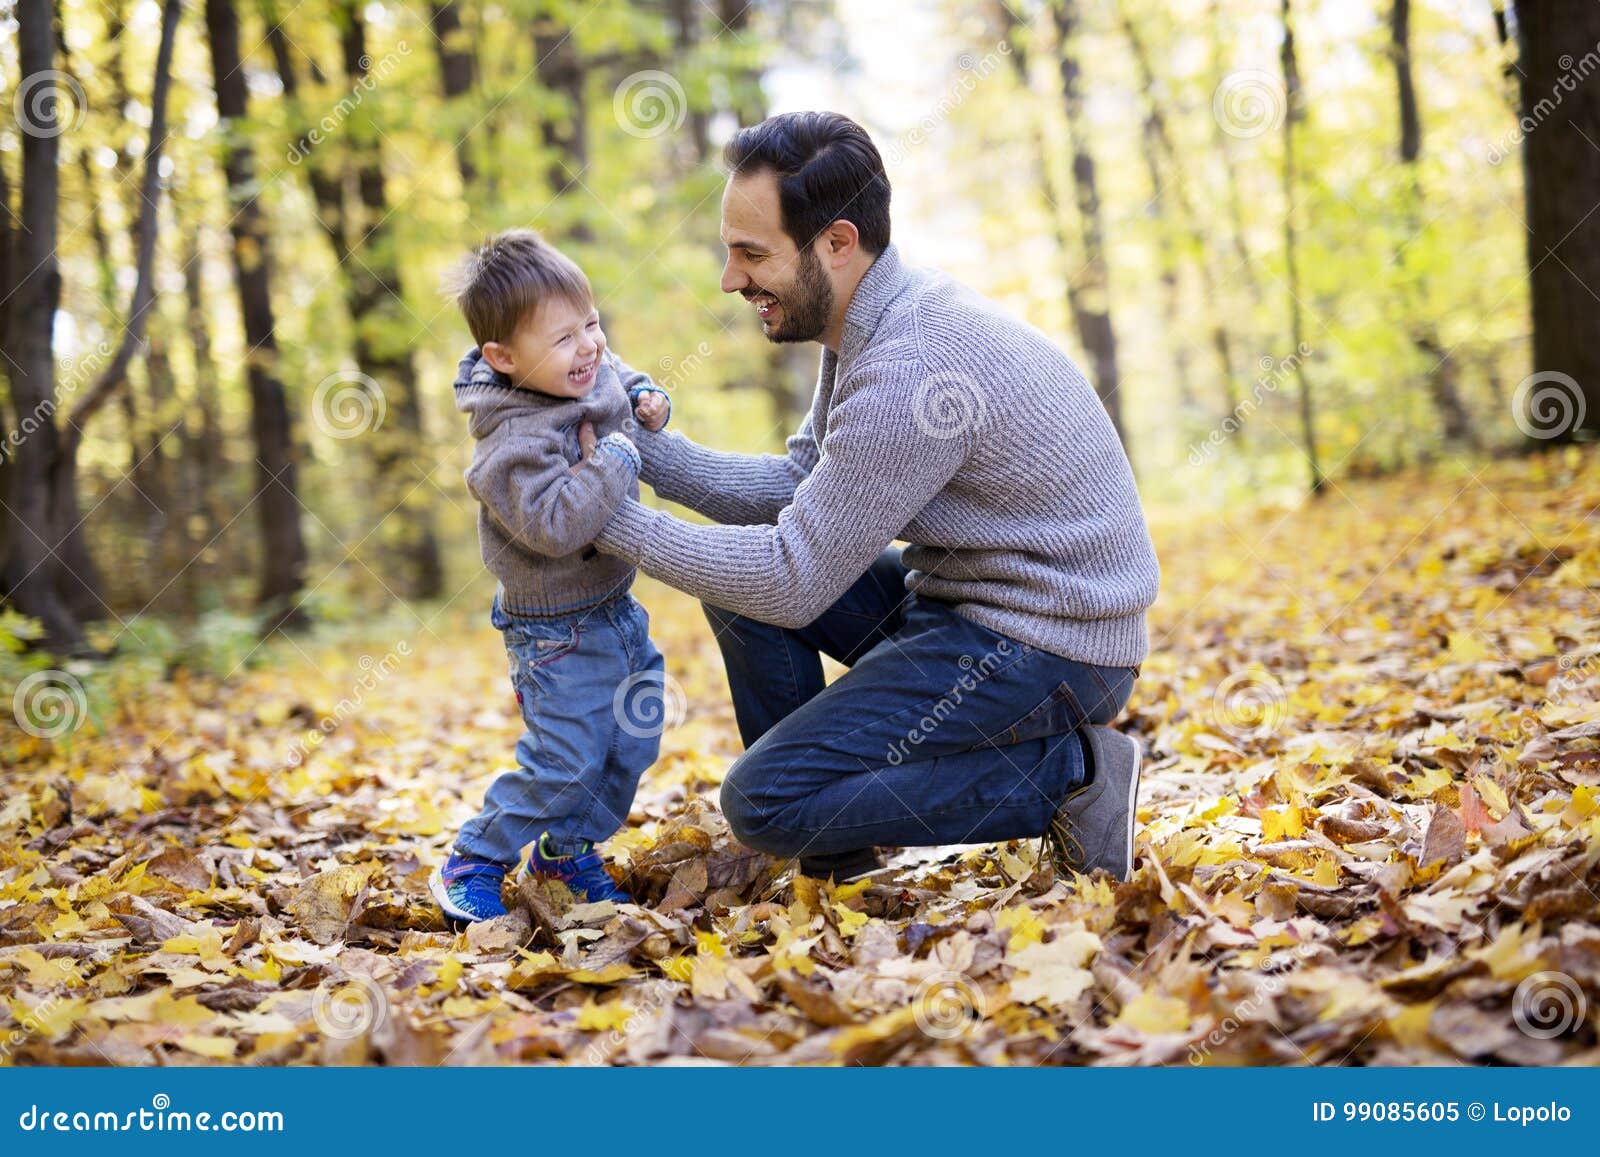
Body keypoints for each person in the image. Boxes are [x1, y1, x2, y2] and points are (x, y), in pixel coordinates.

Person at [592, 112, 1161, 883]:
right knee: (737, 592)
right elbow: (796, 489)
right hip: (974, 607)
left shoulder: (910, 364)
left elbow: (794, 580)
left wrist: (615, 519)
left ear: (837, 242)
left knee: (761, 803)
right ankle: (835, 852)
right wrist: (638, 447)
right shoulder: (869, 321)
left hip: (1052, 645)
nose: (731, 279)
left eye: (752, 254)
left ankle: (1073, 773)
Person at [429, 229, 672, 923]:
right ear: (503, 359)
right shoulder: (509, 445)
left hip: (614, 606)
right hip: (554, 635)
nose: (589, 346)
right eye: (564, 338)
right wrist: (620, 456)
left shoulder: (584, 368)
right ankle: (473, 858)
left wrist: (647, 394)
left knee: (634, 737)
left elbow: (618, 374)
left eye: (590, 323)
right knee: (564, 758)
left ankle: (566, 852)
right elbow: (558, 524)